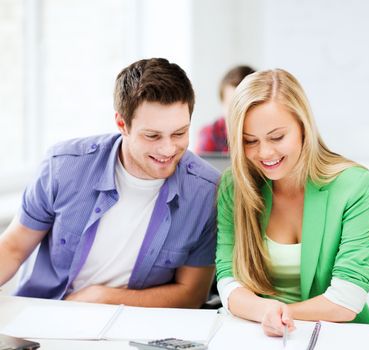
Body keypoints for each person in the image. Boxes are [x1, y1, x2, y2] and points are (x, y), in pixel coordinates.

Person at [0, 58, 220, 308]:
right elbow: (13, 248)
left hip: (136, 327)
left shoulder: (206, 192)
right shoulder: (63, 167)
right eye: (152, 135)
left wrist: (102, 298)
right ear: (121, 124)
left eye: (180, 133)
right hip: (48, 314)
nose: (168, 148)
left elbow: (192, 295)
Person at [215, 69, 369, 336]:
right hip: (257, 335)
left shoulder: (354, 185)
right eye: (250, 141)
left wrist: (278, 314)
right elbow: (229, 282)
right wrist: (265, 315)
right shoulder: (234, 186)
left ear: (303, 127)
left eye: (277, 137)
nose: (265, 152)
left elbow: (347, 300)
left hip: (337, 336)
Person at [196, 65, 255, 153]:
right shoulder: (210, 134)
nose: (237, 113)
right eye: (230, 105)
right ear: (222, 104)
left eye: (244, 105)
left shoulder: (264, 133)